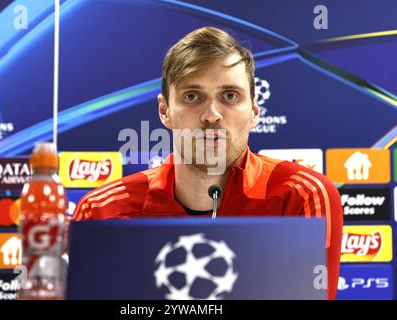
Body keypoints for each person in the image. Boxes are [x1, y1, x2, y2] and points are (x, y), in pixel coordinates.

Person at [72, 27, 343, 300]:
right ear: (164, 111)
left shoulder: (302, 195)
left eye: (229, 96)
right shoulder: (102, 211)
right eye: (192, 96)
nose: (211, 115)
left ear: (254, 112)